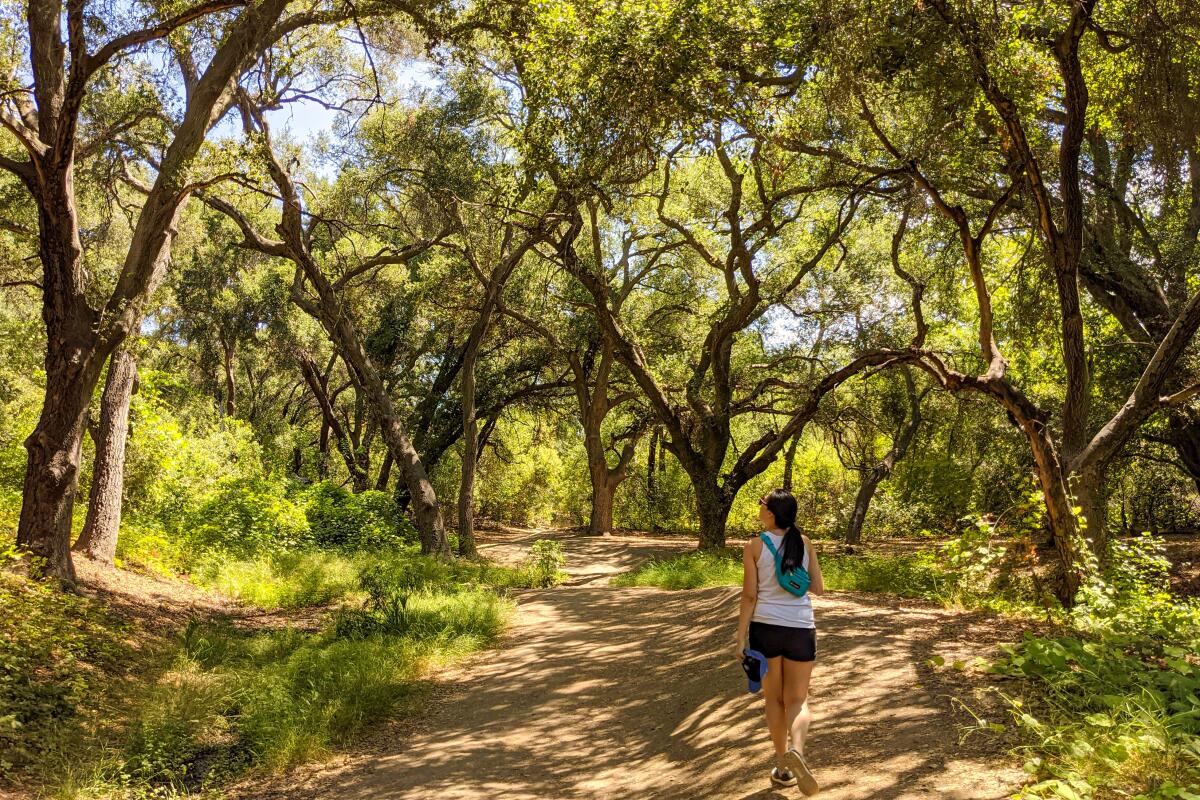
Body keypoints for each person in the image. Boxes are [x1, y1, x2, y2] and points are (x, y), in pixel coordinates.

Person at [735, 488, 825, 795]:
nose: (759, 508)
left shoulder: (755, 545)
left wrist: (739, 636)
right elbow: (819, 588)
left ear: (771, 512)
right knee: (798, 700)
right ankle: (797, 749)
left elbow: (750, 595)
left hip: (765, 628)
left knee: (773, 698)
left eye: (761, 504)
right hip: (801, 627)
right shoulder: (804, 542)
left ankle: (783, 767)